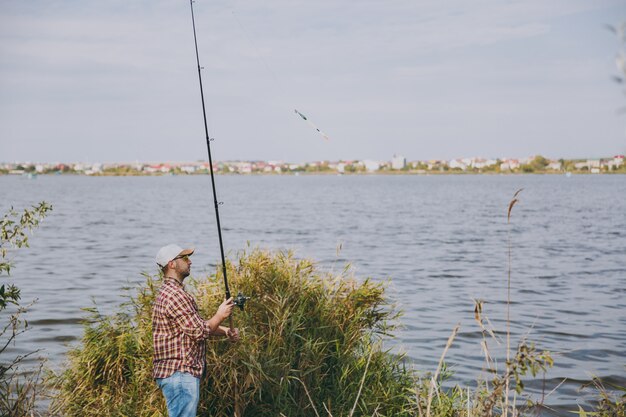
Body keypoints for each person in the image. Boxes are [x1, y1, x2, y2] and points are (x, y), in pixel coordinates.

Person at [152, 244, 240, 417]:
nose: (189, 262)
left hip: (176, 374)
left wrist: (225, 332)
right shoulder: (175, 295)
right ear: (172, 264)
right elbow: (199, 332)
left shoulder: (170, 292)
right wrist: (220, 314)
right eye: (184, 258)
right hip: (180, 373)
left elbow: (194, 326)